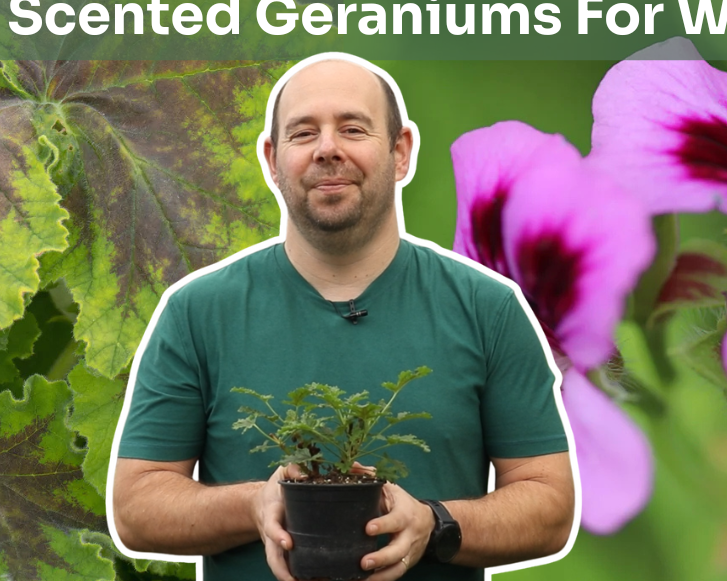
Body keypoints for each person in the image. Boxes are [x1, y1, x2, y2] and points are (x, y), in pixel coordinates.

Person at [109, 53, 576, 581]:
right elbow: (135, 506)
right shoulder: (196, 311)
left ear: (401, 152)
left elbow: (551, 507)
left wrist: (434, 524)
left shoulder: (488, 307)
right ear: (271, 159)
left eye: (353, 128)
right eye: (303, 133)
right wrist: (255, 507)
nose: (328, 149)